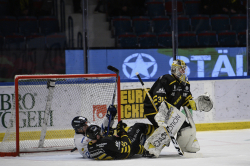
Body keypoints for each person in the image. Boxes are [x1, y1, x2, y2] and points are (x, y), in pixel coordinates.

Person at [143, 59, 213, 157]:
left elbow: (187, 101)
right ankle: (151, 148)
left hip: (172, 113)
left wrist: (196, 104)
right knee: (172, 124)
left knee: (185, 128)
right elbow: (159, 97)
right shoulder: (166, 79)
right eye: (181, 69)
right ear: (174, 70)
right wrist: (162, 113)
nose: (183, 72)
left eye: (184, 69)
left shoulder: (185, 84)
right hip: (154, 110)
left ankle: (186, 145)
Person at [86, 121, 155, 160]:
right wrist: (122, 132)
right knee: (138, 126)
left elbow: (108, 146)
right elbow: (127, 147)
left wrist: (113, 133)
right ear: (97, 136)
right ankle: (157, 130)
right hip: (129, 149)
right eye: (100, 133)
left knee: (131, 129)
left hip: (119, 151)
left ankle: (145, 149)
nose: (102, 133)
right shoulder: (106, 142)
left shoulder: (90, 146)